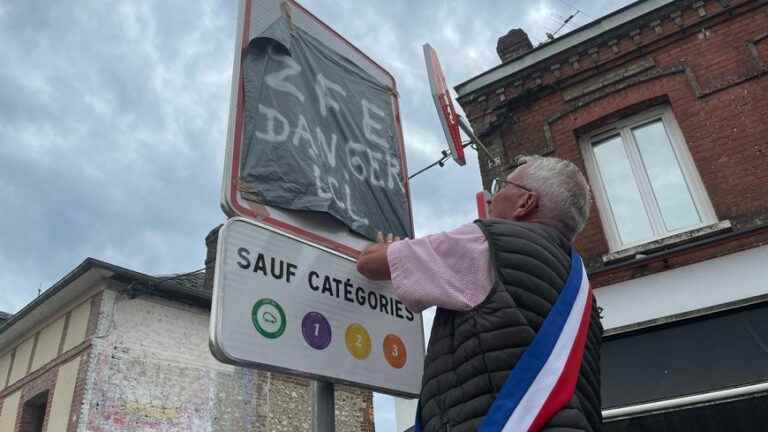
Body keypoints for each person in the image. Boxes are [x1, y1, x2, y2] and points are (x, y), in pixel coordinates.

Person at [357, 155, 602, 432]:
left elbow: (369, 263)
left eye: (501, 186)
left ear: (525, 202)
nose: (489, 197)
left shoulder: (488, 241)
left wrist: (386, 247)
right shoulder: (581, 289)